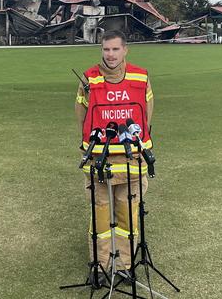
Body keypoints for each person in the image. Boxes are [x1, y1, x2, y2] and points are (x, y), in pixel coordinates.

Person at [75, 29, 154, 281]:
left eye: (115, 49)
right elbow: (82, 117)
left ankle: (124, 265)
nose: (110, 55)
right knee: (100, 218)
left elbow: (147, 114)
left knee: (127, 215)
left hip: (132, 161)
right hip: (101, 162)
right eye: (106, 49)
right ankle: (100, 266)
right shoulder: (89, 79)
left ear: (125, 50)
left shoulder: (141, 77)